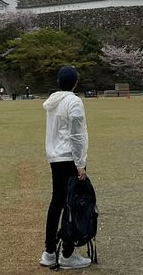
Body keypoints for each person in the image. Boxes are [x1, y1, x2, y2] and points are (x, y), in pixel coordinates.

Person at [39, 66, 91, 270]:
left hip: (55, 157)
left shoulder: (53, 102)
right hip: (69, 157)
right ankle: (68, 253)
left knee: (57, 202)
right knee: (73, 204)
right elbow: (77, 134)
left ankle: (49, 252)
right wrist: (80, 163)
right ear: (75, 82)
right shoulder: (73, 101)